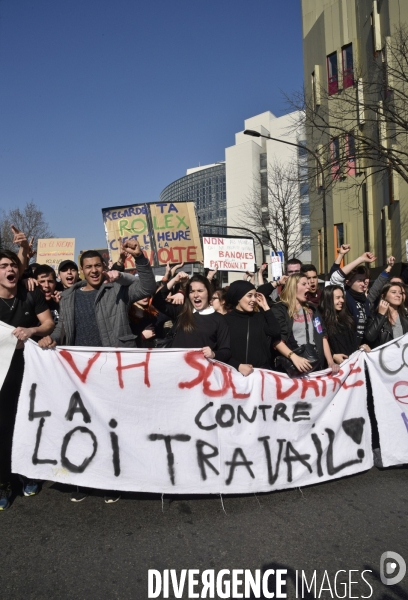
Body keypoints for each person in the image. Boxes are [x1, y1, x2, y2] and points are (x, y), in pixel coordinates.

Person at [39, 240, 156, 502]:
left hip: (112, 368)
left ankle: (112, 479)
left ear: (104, 267)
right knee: (83, 425)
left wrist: (140, 258)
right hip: (80, 373)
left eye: (97, 265)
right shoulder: (68, 296)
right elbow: (63, 328)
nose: (93, 270)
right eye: (88, 267)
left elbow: (148, 286)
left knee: (111, 424)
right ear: (81, 270)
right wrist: (50, 339)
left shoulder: (118, 290)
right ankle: (85, 478)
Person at [0, 250, 55, 510]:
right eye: (2, 266)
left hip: (28, 369)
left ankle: (28, 472)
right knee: (2, 428)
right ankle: (4, 482)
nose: (9, 269)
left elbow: (48, 323)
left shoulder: (30, 294)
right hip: (1, 374)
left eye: (12, 265)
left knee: (29, 421)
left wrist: (34, 331)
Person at [152, 272, 231, 363]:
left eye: (200, 291)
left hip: (201, 372)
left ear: (208, 293)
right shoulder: (182, 311)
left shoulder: (219, 319)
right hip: (176, 368)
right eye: (191, 291)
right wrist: (174, 281)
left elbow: (226, 351)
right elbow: (157, 301)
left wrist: (214, 354)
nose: (196, 295)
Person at [271, 273, 338, 375]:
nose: (309, 286)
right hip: (292, 366)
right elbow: (277, 340)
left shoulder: (312, 309)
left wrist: (330, 362)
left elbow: (322, 335)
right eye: (304, 284)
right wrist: (294, 357)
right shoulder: (280, 309)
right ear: (293, 287)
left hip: (315, 365)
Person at [224, 281, 281, 375]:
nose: (254, 300)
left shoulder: (259, 317)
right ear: (238, 297)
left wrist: (266, 307)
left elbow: (275, 331)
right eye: (249, 296)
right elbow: (221, 351)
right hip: (233, 374)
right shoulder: (225, 320)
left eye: (255, 296)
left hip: (259, 375)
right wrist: (237, 365)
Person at [318, 285, 369, 364]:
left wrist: (360, 347)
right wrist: (333, 356)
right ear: (328, 300)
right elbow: (320, 345)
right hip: (335, 369)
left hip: (353, 364)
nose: (342, 300)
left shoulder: (347, 318)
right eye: (338, 297)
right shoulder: (320, 321)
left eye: (342, 297)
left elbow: (352, 342)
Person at [365, 282, 408, 348]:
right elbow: (369, 337)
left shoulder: (406, 316)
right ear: (383, 295)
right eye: (393, 292)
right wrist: (380, 315)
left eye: (400, 293)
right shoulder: (374, 316)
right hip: (383, 356)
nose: (398, 295)